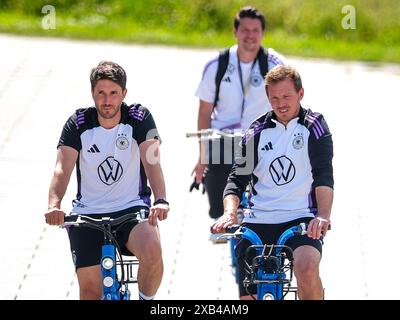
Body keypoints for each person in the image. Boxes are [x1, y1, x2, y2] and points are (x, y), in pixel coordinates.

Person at [44, 61, 169, 300]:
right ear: (92, 94)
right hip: (87, 213)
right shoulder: (77, 123)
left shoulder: (140, 118)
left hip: (131, 210)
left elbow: (153, 163)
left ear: (124, 93)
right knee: (91, 292)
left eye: (113, 93)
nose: (107, 100)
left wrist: (161, 199)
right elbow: (61, 169)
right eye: (101, 93)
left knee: (153, 249)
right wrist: (54, 205)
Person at [212, 65, 334, 300]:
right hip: (259, 219)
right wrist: (229, 213)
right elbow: (237, 179)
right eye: (274, 98)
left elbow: (324, 174)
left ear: (301, 94)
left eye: (287, 96)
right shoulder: (256, 131)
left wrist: (323, 216)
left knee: (307, 267)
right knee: (248, 295)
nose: (281, 104)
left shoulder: (314, 125)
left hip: (301, 218)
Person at [192, 6, 287, 219]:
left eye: (255, 30)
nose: (250, 36)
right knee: (216, 172)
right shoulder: (217, 65)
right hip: (224, 138)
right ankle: (221, 216)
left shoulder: (275, 66)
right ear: (235, 31)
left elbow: (288, 106)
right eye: (245, 30)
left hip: (261, 136)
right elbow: (204, 112)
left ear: (263, 33)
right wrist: (202, 156)